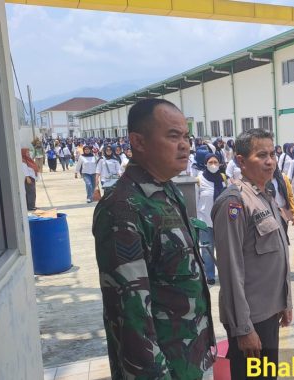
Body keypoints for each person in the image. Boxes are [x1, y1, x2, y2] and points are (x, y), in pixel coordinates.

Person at [93, 98, 216, 379]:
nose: (185, 145)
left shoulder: (167, 191)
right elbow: (130, 313)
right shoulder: (123, 208)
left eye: (186, 136)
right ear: (139, 141)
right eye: (173, 136)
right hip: (163, 369)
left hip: (192, 356)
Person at [212, 128, 292, 380]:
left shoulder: (265, 196)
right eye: (261, 155)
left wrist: (285, 301)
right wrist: (243, 328)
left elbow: (275, 258)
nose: (270, 161)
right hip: (250, 319)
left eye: (272, 154)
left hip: (269, 313)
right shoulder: (234, 203)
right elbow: (230, 270)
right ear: (241, 161)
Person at [197, 152, 227, 286]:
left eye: (216, 162)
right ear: (205, 164)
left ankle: (225, 274)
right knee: (207, 250)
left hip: (221, 220)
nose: (213, 165)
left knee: (223, 249)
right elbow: (195, 199)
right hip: (205, 221)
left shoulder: (223, 178)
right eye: (210, 163)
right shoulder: (199, 179)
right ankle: (209, 275)